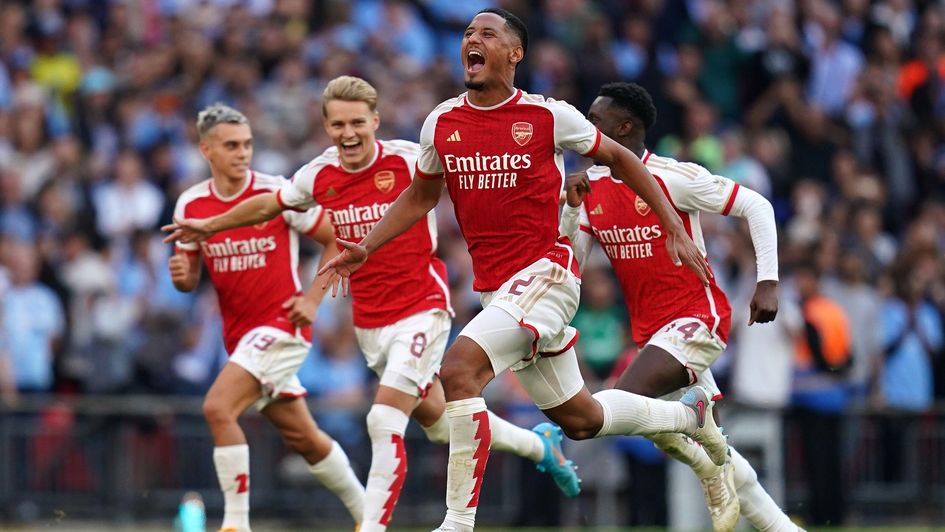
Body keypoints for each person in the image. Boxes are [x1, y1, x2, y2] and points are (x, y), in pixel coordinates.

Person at [317, 9, 728, 532]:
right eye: (468, 33)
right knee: (581, 420)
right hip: (498, 293)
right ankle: (690, 416)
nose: (473, 39)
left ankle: (458, 522)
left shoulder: (548, 116)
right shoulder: (441, 122)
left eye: (488, 33)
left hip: (547, 277)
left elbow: (623, 159)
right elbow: (421, 194)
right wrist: (366, 247)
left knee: (459, 370)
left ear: (515, 54)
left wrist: (671, 221)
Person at [164, 77, 583, 532]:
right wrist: (211, 226)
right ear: (326, 126)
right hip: (370, 324)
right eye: (338, 124)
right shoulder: (318, 174)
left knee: (383, 418)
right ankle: (540, 447)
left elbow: (486, 179)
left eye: (358, 123)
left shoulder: (409, 159)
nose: (348, 133)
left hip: (423, 308)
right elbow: (270, 205)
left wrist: (554, 198)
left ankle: (370, 527)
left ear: (375, 121)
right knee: (442, 424)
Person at [560, 81, 801, 532]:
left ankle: (704, 439)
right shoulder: (590, 186)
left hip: (697, 319)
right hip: (652, 334)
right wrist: (571, 210)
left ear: (624, 127)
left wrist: (768, 282)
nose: (584, 129)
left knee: (619, 405)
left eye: (594, 121)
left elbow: (757, 204)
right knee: (687, 443)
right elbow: (573, 267)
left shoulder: (672, 177)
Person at [166, 104, 364, 532]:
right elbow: (189, 277)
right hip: (239, 339)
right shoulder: (192, 203)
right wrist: (183, 276)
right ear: (206, 150)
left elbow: (335, 240)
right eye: (232, 145)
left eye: (248, 144)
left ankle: (236, 524)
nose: (243, 153)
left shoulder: (277, 192)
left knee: (218, 407)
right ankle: (370, 515)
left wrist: (313, 300)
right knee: (305, 439)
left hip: (284, 325)